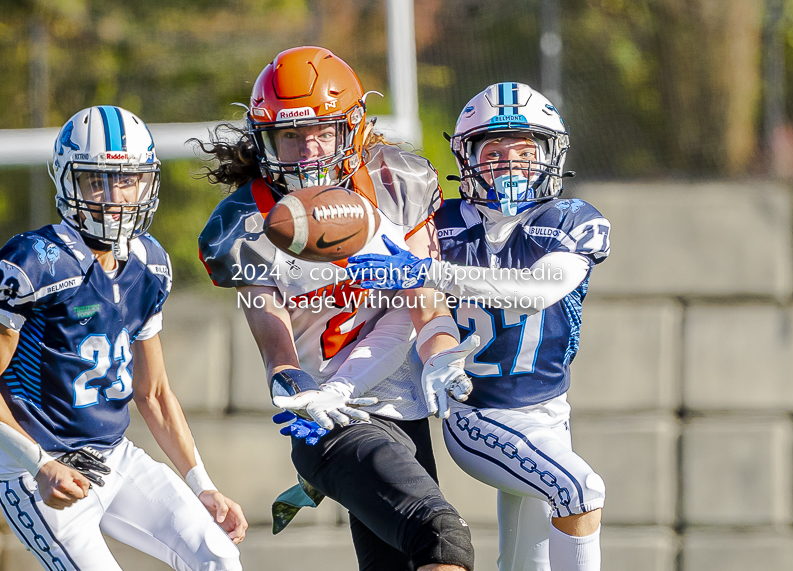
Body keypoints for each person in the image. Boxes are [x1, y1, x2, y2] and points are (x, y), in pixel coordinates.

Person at [197, 46, 474, 571]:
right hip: (328, 417)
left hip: (400, 407)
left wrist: (441, 352)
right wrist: (289, 380)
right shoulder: (248, 223)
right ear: (266, 140)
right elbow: (269, 328)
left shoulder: (397, 185)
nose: (308, 152)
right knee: (441, 538)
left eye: (321, 132)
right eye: (290, 136)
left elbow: (423, 301)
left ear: (351, 129)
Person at [348, 83, 610, 571]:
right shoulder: (438, 224)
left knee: (527, 563)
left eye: (524, 151)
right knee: (579, 488)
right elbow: (390, 317)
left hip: (551, 414)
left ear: (552, 154)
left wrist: (431, 272)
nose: (509, 163)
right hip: (478, 413)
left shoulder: (572, 220)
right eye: (493, 150)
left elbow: (535, 289)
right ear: (467, 157)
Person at [0, 106, 247, 571]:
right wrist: (38, 462)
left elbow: (153, 393)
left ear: (146, 182)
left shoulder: (149, 263)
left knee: (218, 556)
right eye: (98, 180)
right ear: (67, 181)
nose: (114, 196)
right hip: (36, 467)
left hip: (114, 456)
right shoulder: (34, 262)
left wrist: (203, 486)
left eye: (127, 179)